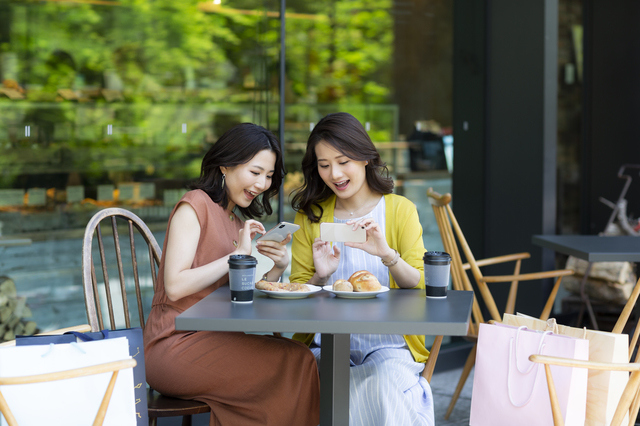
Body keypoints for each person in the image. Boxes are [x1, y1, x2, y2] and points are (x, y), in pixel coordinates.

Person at [144, 123, 320, 426]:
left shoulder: (237, 222)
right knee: (295, 363)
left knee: (300, 357)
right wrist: (236, 257)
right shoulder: (195, 204)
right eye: (255, 172)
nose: (263, 183)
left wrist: (277, 267)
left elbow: (242, 297)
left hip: (218, 337)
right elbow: (174, 286)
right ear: (225, 165)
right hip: (174, 343)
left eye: (268, 176)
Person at [289, 112, 433, 426]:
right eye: (324, 165)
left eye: (343, 162)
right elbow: (299, 290)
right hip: (325, 342)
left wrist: (387, 254)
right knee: (331, 383)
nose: (334, 174)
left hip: (390, 342)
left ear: (365, 158)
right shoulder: (311, 216)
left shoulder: (399, 210)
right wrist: (321, 275)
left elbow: (419, 284)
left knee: (380, 383)